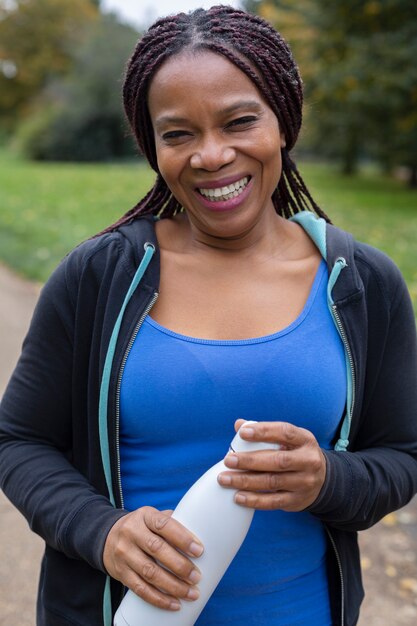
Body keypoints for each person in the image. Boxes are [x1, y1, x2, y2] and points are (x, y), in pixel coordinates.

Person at [1, 5, 416, 626]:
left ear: (283, 124)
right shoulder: (99, 278)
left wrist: (329, 480)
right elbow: (20, 441)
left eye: (239, 121)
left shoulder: (359, 284)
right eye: (178, 134)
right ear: (153, 147)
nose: (211, 155)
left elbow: (403, 453)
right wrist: (100, 530)